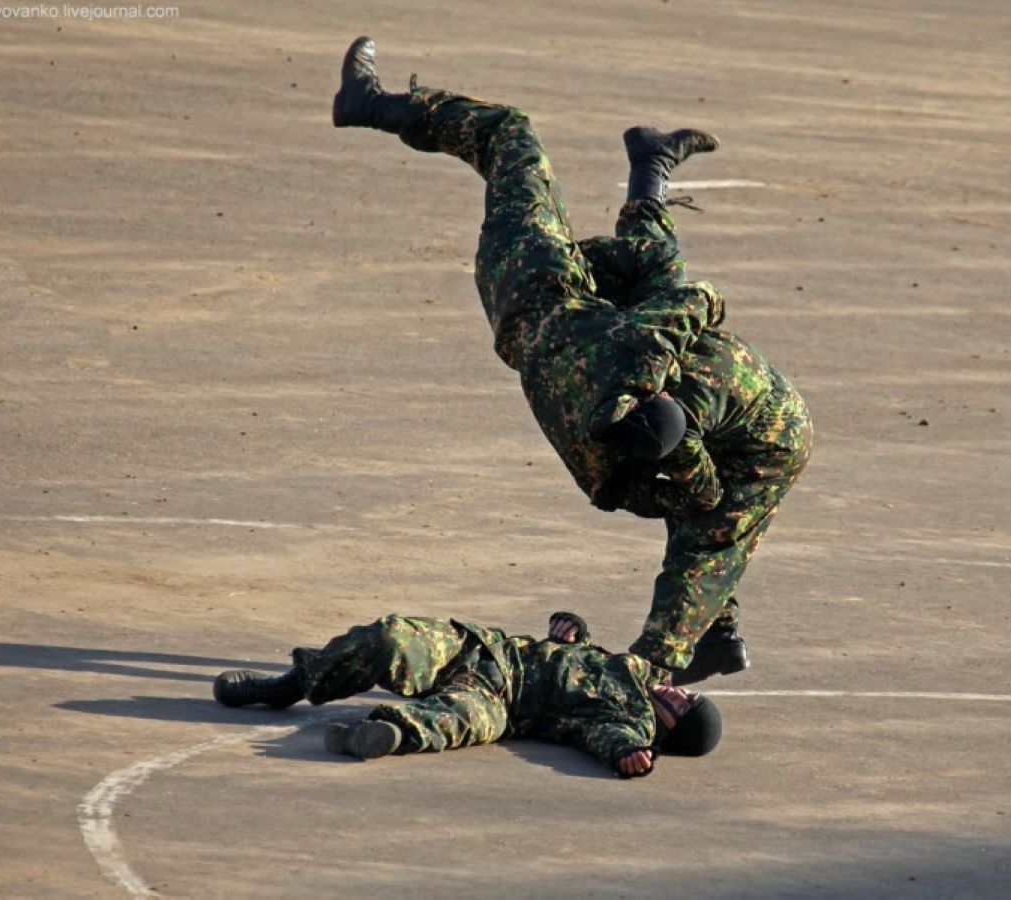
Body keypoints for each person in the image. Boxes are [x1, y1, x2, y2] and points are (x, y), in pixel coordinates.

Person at [332, 37, 811, 685]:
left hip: (543, 282)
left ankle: (370, 105)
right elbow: (681, 489)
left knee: (510, 136)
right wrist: (693, 477)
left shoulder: (626, 374)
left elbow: (686, 305)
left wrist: (679, 343)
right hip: (556, 320)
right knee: (703, 520)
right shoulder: (613, 450)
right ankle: (651, 167)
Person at [213, 612, 721, 778]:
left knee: (457, 720)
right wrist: (572, 628)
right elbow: (582, 655)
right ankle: (286, 687)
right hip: (487, 651)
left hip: (504, 700)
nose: (679, 692)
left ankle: (379, 735)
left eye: (684, 704)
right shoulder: (638, 670)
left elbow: (604, 734)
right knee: (390, 637)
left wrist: (628, 756)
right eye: (686, 694)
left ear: (672, 727)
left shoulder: (629, 723)